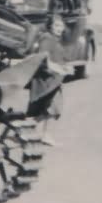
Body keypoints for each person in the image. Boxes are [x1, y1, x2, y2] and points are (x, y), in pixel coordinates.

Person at [34, 14, 72, 147]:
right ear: (50, 26)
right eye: (56, 25)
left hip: (53, 79)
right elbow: (42, 58)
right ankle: (40, 134)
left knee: (48, 108)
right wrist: (58, 69)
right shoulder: (47, 38)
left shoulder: (56, 40)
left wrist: (65, 67)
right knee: (50, 107)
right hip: (46, 79)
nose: (59, 28)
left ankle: (40, 135)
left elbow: (58, 58)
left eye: (61, 25)